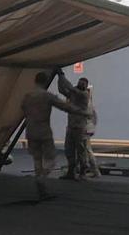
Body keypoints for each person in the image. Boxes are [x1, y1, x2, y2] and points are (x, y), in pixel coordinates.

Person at [20, 71, 85, 199]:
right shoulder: (47, 96)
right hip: (44, 130)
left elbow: (23, 108)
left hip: (31, 130)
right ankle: (41, 178)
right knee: (51, 159)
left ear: (35, 81)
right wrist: (83, 112)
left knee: (37, 159)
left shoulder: (28, 96)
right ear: (45, 82)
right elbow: (65, 106)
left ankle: (41, 187)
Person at [57, 73, 96, 180]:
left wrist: (61, 75)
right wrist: (59, 80)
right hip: (71, 126)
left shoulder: (84, 95)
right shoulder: (74, 95)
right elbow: (62, 90)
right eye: (81, 83)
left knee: (81, 151)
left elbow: (69, 87)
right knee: (69, 150)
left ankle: (82, 172)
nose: (82, 85)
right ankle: (71, 172)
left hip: (80, 128)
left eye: (83, 84)